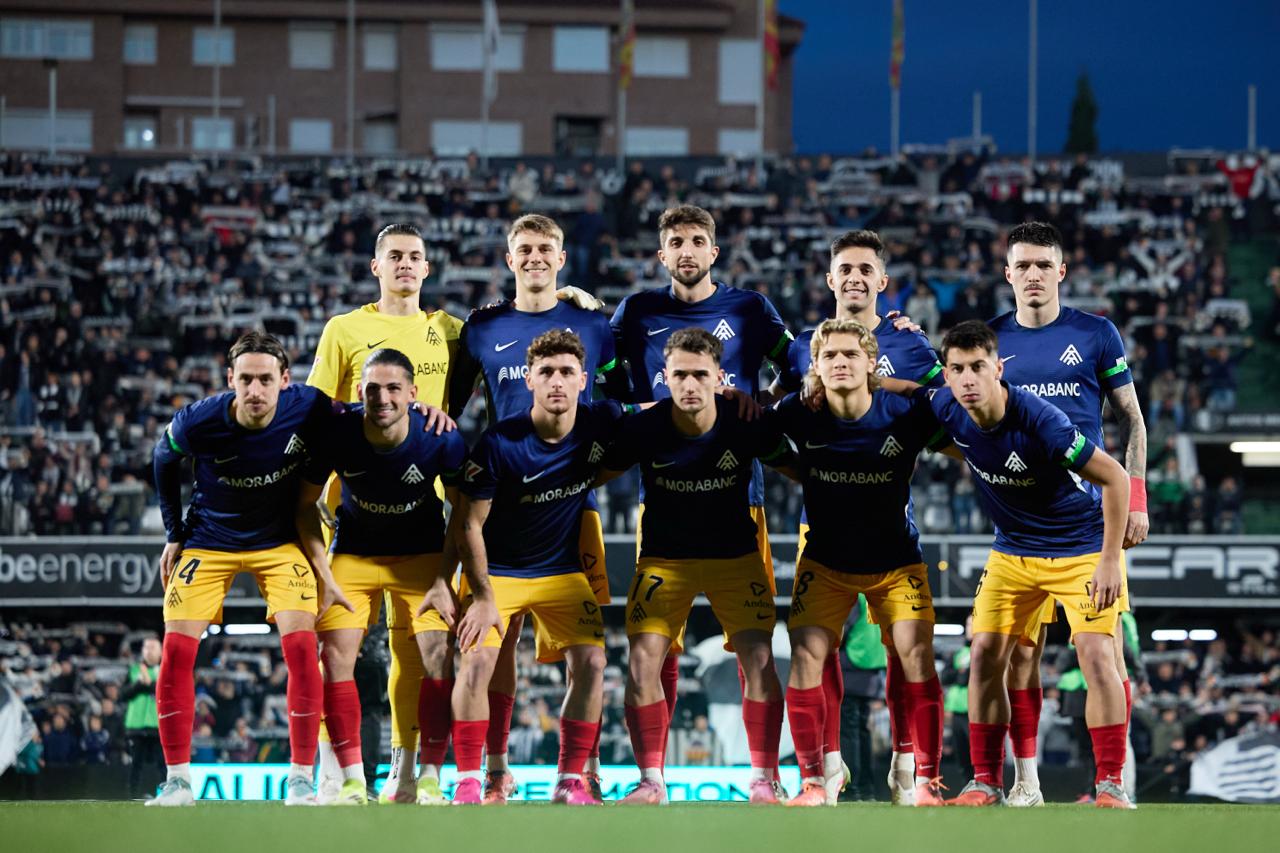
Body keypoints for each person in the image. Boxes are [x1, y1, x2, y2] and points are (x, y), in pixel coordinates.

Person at [900, 320, 1134, 809]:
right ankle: (986, 782)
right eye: (957, 369)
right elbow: (906, 389)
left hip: (1080, 547)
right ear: (946, 374)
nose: (968, 379)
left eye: (978, 367)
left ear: (999, 369)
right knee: (984, 653)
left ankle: (1111, 784)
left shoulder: (1041, 420)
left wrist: (1110, 560)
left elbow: (1114, 477)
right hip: (1013, 551)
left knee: (1095, 654)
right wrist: (856, 377)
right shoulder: (946, 405)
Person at [610, 204, 792, 793]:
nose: (686, 251)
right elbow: (605, 383)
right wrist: (637, 410)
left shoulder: (749, 308)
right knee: (654, 648)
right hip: (662, 501)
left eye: (696, 240)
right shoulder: (637, 311)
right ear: (661, 253)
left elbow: (797, 365)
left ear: (714, 251)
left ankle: (764, 777)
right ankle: (651, 778)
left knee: (755, 649)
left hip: (742, 501)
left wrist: (763, 403)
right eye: (675, 241)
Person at [446, 214, 627, 803]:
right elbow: (449, 408)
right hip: (500, 498)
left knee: (587, 656)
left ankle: (582, 772)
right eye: (524, 249)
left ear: (561, 257)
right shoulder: (482, 326)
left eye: (545, 248)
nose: (535, 258)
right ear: (509, 258)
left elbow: (624, 399)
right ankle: (492, 772)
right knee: (495, 650)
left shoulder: (593, 323)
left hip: (574, 508)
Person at [771, 230, 945, 805]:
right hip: (822, 525)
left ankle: (907, 761)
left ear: (881, 281)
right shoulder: (803, 344)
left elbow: (945, 412)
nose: (854, 278)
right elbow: (777, 414)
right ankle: (825, 766)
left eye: (865, 269)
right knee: (817, 648)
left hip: (890, 523)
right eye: (844, 268)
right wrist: (807, 472)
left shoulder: (911, 345)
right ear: (830, 279)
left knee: (902, 650)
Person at [147, 331, 346, 807]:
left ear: (285, 380)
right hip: (209, 541)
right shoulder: (199, 420)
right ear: (230, 379)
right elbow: (163, 457)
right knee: (175, 651)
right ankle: (178, 782)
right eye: (246, 380)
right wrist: (174, 532)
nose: (255, 390)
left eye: (265, 380)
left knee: (303, 649)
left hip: (279, 541)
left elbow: (360, 419)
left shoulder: (309, 406)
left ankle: (300, 780)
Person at [987, 221, 1148, 806]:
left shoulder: (1096, 333)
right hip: (1018, 529)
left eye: (1042, 265)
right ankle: (1024, 783)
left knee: (1099, 654)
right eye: (1022, 265)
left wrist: (1137, 497)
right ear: (1008, 273)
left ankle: (1111, 782)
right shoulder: (991, 341)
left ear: (1061, 271)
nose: (1032, 274)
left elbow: (1131, 419)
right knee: (1016, 658)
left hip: (1088, 525)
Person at [307, 222, 464, 804]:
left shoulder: (451, 332)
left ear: (427, 267)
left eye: (414, 256)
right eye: (393, 255)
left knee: (417, 654)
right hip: (354, 513)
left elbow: (516, 339)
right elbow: (319, 414)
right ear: (375, 266)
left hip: (424, 513)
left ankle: (407, 770)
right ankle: (335, 774)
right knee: (336, 651)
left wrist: (570, 297)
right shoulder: (344, 329)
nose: (404, 264)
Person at [123, 636, 163, 798]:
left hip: (158, 726)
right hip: (136, 725)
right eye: (146, 647)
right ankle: (132, 797)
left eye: (153, 647)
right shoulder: (133, 670)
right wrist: (139, 684)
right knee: (135, 764)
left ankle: (165, 795)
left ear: (161, 651)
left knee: (162, 764)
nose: (149, 651)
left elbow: (168, 692)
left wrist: (148, 683)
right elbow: (122, 694)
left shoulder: (165, 670)